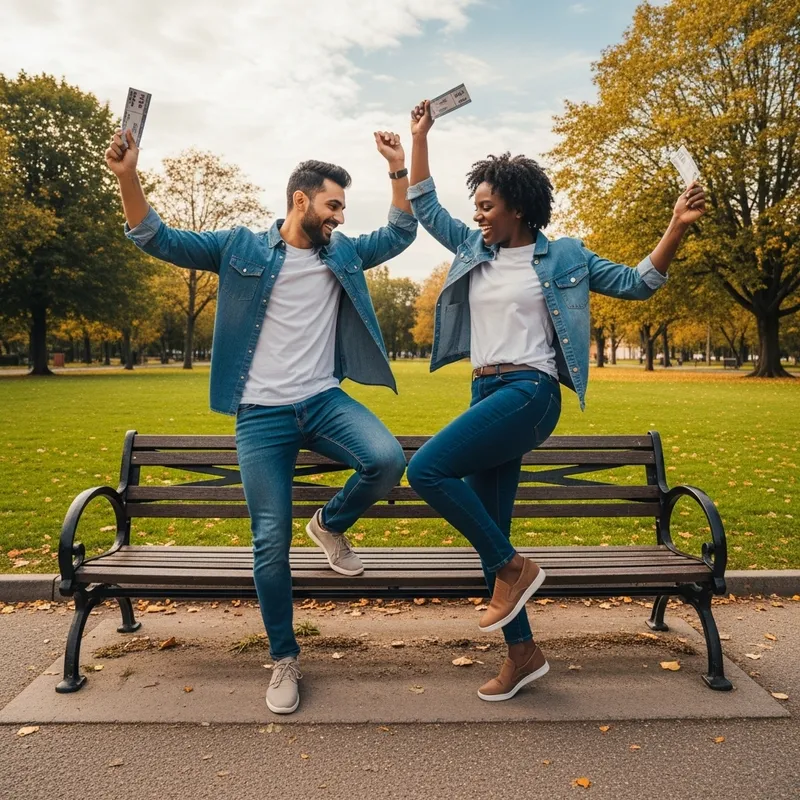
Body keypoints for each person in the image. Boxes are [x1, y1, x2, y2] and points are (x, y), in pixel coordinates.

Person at [105, 128, 417, 714]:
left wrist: (399, 167)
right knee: (269, 543)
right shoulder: (239, 248)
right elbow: (155, 236)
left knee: (385, 459)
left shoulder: (341, 252)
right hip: (261, 415)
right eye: (333, 205)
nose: (340, 218)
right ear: (301, 201)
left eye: (343, 208)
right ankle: (284, 658)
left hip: (323, 400)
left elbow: (401, 231)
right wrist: (127, 176)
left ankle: (329, 524)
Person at [404, 99, 706, 702]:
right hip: (485, 389)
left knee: (425, 468)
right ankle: (524, 653)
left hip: (531, 390)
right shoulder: (473, 248)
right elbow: (424, 204)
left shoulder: (565, 255)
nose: (479, 215)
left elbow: (637, 283)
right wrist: (419, 137)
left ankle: (515, 569)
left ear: (517, 207)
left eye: (487, 206)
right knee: (494, 527)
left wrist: (674, 226)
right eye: (477, 207)